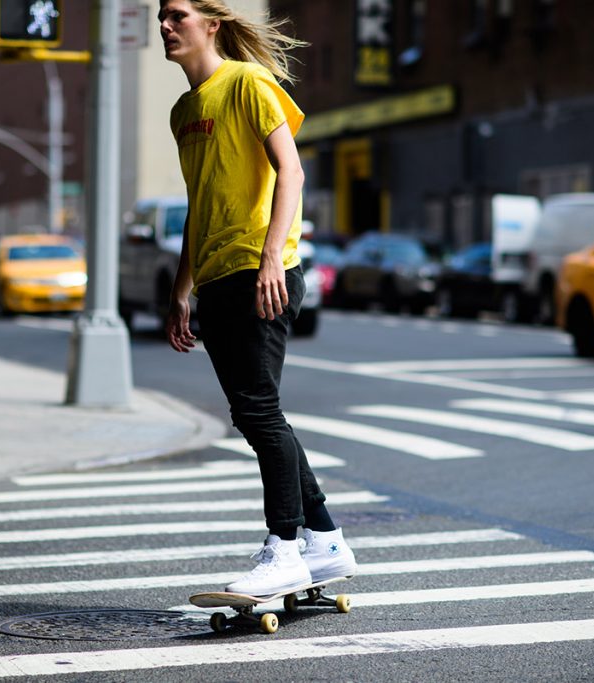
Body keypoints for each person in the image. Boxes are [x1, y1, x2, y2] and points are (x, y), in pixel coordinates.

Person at [158, 0, 357, 596]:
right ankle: (324, 540)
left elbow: (290, 172)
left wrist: (274, 255)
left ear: (211, 25)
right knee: (258, 411)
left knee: (257, 412)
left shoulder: (247, 82)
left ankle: (285, 546)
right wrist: (180, 291)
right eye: (160, 18)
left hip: (258, 270)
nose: (165, 26)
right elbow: (202, 204)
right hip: (217, 276)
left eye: (177, 16)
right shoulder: (182, 111)